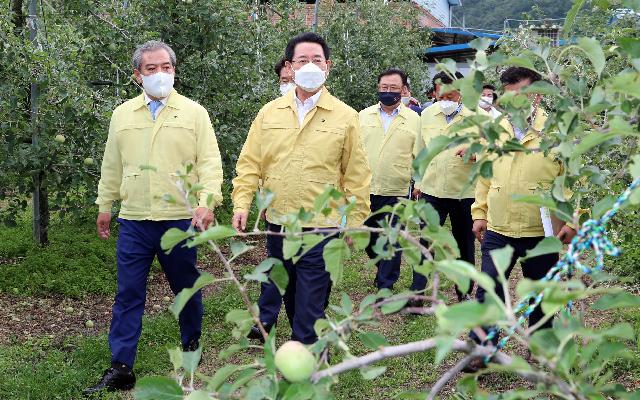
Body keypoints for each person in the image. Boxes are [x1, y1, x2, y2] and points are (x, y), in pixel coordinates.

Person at [85, 40, 224, 394]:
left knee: (185, 288)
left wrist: (207, 202)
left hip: (180, 218)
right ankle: (121, 366)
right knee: (128, 293)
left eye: (166, 67)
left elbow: (210, 163)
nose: (160, 74)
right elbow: (112, 164)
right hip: (134, 219)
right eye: (151, 69)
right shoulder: (123, 115)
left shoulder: (194, 113)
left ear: (174, 70)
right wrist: (105, 204)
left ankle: (191, 345)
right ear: (137, 76)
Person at [232, 32, 371, 345]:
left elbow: (356, 175)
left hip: (321, 227)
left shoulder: (346, 116)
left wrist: (357, 221)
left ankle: (306, 360)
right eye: (302, 60)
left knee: (309, 304)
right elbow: (250, 163)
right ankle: (309, 346)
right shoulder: (269, 113)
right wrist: (241, 204)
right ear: (289, 67)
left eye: (316, 60)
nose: (310, 66)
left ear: (328, 66)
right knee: (291, 295)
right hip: (279, 224)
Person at [465, 67, 577, 371]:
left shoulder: (555, 131)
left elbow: (572, 180)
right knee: (488, 288)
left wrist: (572, 220)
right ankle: (483, 348)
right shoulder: (496, 129)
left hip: (540, 230)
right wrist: (479, 212)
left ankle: (540, 347)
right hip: (499, 226)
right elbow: (485, 176)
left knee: (541, 292)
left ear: (537, 94)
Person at [411, 71, 478, 303]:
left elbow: (489, 152)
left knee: (464, 244)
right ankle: (418, 291)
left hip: (464, 193)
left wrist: (475, 153)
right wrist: (418, 183)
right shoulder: (427, 115)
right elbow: (421, 151)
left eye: (452, 94)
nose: (447, 99)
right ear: (435, 93)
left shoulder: (476, 118)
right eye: (442, 95)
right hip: (431, 191)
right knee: (425, 241)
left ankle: (465, 292)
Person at [359, 68, 422, 290]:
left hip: (397, 188)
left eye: (393, 88)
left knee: (391, 238)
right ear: (378, 88)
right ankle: (380, 265)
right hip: (365, 188)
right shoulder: (363, 116)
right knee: (366, 235)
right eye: (384, 87)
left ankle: (385, 285)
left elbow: (420, 154)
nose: (388, 91)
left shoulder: (414, 119)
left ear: (403, 90)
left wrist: (419, 183)